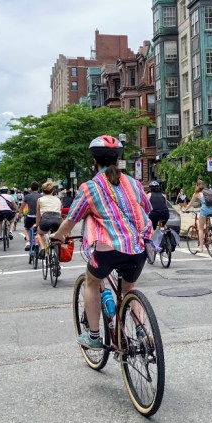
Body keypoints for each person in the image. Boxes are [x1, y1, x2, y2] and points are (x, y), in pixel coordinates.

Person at [51, 135, 152, 350]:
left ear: (94, 161)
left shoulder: (90, 187)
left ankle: (94, 336)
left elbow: (72, 219)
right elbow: (146, 207)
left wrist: (58, 235)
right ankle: (143, 330)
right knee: (129, 289)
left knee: (91, 281)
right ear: (118, 160)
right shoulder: (133, 183)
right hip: (138, 248)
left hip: (108, 249)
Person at [35, 181, 63, 258]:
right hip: (58, 219)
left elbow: (38, 214)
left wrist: (37, 225)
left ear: (42, 191)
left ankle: (43, 249)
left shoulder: (40, 200)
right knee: (57, 234)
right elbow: (60, 211)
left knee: (39, 233)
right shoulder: (58, 199)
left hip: (46, 219)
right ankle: (57, 251)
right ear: (52, 191)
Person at [184, 180, 211, 255]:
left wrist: (184, 210)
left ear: (197, 185)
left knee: (200, 228)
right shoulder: (207, 191)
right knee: (207, 223)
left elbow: (190, 204)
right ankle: (209, 234)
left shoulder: (196, 194)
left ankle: (201, 247)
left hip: (205, 209)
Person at [22, 181, 41, 249]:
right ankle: (37, 241)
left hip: (30, 216)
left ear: (31, 188)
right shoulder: (41, 196)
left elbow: (22, 206)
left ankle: (28, 242)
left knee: (27, 229)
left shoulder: (27, 196)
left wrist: (20, 213)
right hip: (39, 217)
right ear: (38, 188)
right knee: (40, 229)